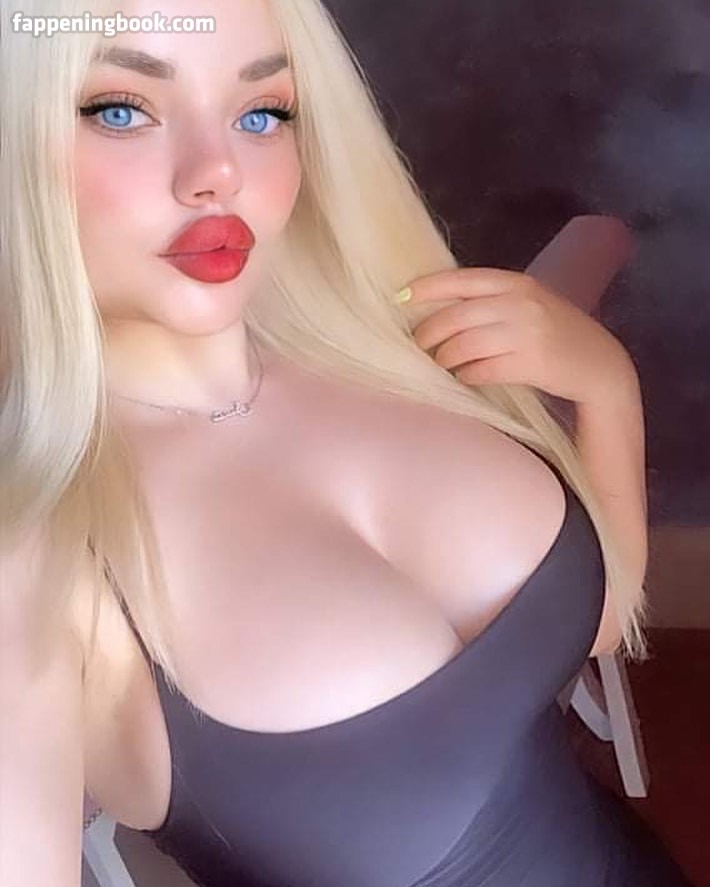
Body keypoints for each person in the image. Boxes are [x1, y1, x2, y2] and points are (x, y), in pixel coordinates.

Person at [0, 0, 695, 885]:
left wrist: (605, 385)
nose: (219, 172)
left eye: (262, 113)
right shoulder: (36, 560)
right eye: (121, 110)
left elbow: (596, 622)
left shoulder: (390, 350)